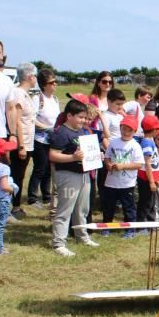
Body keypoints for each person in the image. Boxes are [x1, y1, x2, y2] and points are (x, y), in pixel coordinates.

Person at [48, 99, 98, 257]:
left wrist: (96, 156)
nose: (84, 121)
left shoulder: (82, 131)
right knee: (65, 210)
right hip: (68, 175)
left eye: (85, 118)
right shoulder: (61, 132)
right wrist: (72, 157)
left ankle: (82, 236)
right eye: (81, 117)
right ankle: (59, 243)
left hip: (84, 174)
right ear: (69, 116)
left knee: (82, 209)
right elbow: (53, 155)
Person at [102, 115, 144, 236]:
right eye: (124, 129)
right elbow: (107, 156)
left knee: (128, 207)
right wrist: (108, 164)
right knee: (108, 206)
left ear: (135, 131)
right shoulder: (113, 142)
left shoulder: (135, 145)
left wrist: (123, 166)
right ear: (120, 128)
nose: (126, 132)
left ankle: (130, 229)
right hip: (111, 182)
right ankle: (106, 227)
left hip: (127, 183)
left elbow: (139, 164)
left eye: (129, 130)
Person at [8, 62, 38, 218]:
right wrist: (21, 146)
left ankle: (16, 205)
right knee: (16, 174)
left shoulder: (25, 94)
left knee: (20, 175)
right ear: (30, 76)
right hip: (22, 142)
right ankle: (13, 206)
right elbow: (17, 120)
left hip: (28, 141)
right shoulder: (18, 93)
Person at [29, 68, 59, 208]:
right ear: (44, 84)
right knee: (40, 168)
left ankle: (46, 196)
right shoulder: (37, 98)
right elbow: (31, 119)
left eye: (55, 82)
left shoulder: (55, 99)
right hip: (40, 139)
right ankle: (32, 198)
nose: (55, 85)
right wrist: (46, 128)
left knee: (49, 169)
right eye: (52, 82)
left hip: (52, 139)